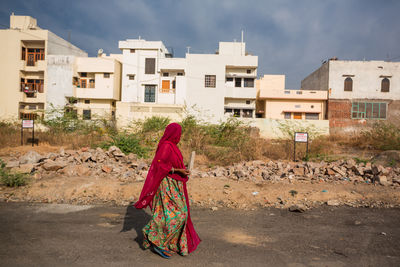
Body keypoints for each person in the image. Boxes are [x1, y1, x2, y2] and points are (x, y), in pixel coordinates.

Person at [134, 123, 201, 258]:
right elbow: (159, 165)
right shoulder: (166, 146)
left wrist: (182, 170)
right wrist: (177, 170)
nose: (179, 136)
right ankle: (153, 237)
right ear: (173, 133)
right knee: (179, 214)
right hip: (166, 185)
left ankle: (166, 242)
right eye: (178, 133)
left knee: (170, 214)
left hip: (175, 184)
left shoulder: (173, 146)